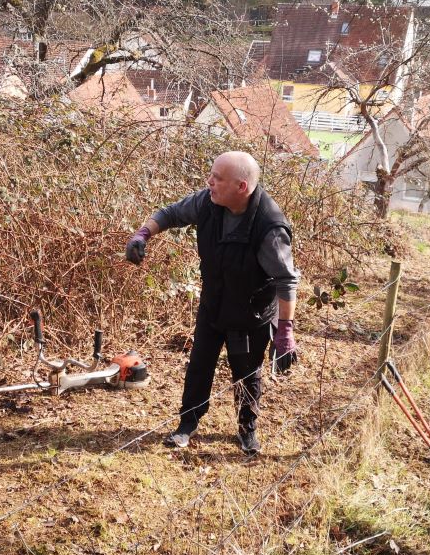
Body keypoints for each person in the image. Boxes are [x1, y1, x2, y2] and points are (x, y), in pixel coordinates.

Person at [124, 151, 300, 456]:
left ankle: (247, 431)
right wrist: (142, 235)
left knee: (246, 373)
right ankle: (186, 426)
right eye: (211, 175)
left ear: (241, 187)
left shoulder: (269, 228)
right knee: (199, 366)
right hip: (214, 304)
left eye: (217, 178)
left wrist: (285, 331)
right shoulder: (208, 202)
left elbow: (286, 281)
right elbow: (170, 214)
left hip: (250, 312)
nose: (209, 182)